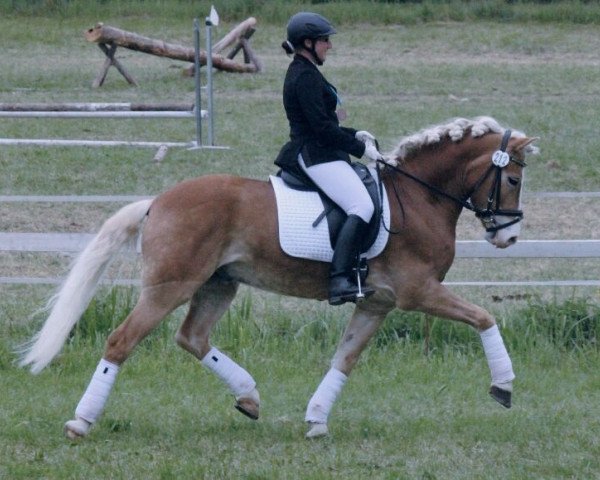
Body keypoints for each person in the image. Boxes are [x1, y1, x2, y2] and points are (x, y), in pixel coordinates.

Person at [275, 12, 384, 306]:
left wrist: (354, 134)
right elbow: (321, 129)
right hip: (315, 154)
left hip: (323, 148)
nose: (329, 46)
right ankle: (339, 279)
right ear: (307, 42)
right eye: (325, 40)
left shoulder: (307, 70)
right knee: (361, 206)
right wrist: (360, 150)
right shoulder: (304, 76)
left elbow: (325, 122)